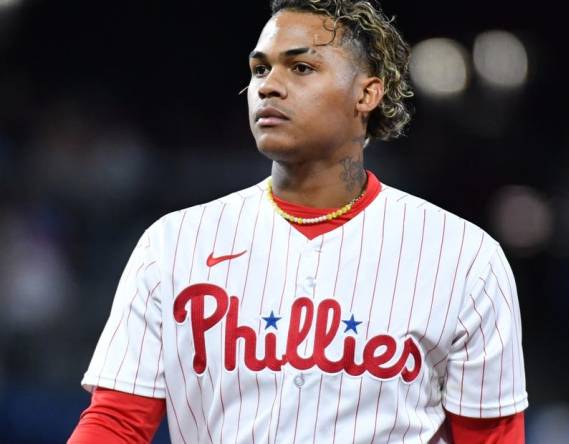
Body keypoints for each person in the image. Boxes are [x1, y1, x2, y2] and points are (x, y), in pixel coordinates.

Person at [68, 0, 527, 442]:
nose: (268, 85)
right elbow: (117, 422)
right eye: (260, 69)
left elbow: (492, 439)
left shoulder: (464, 257)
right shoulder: (173, 244)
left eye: (301, 67)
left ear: (367, 93)